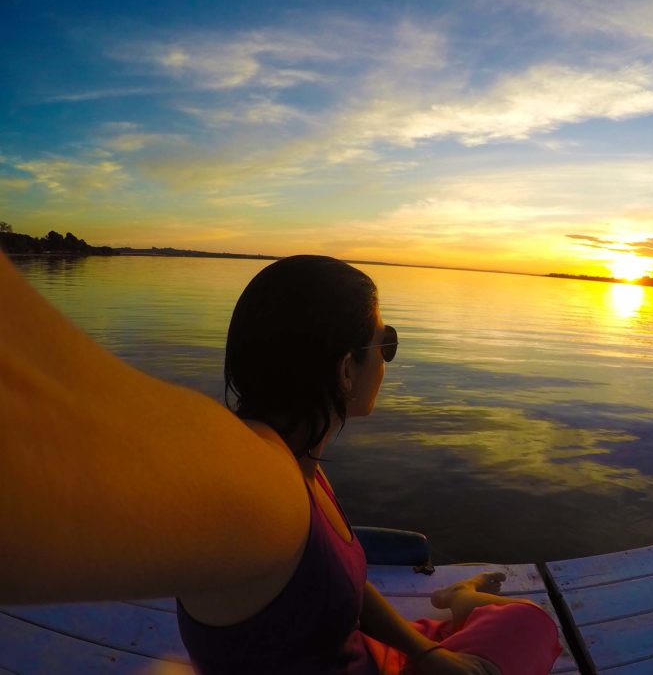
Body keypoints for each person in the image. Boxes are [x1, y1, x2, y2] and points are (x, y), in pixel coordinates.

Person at [0, 253, 562, 674]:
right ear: (346, 370)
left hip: (369, 655)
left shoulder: (298, 464)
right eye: (383, 342)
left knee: (516, 624)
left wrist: (424, 650)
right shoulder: (261, 482)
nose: (388, 361)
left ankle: (458, 607)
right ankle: (465, 606)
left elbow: (343, 588)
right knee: (531, 625)